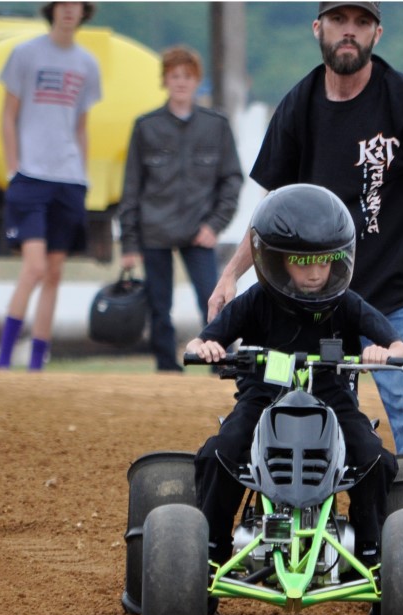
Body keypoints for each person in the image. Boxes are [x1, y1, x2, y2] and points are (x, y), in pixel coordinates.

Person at [205, 1, 403, 615]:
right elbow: (271, 215)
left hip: (401, 296)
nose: (348, 32)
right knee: (297, 413)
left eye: (360, 21)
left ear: (377, 33)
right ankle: (300, 540)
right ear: (319, 30)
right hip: (319, 301)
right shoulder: (299, 106)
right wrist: (229, 277)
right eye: (338, 20)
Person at [188, 184, 403, 609]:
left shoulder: (346, 303)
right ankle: (210, 552)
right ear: (275, 260)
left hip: (331, 398)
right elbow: (202, 342)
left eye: (323, 262)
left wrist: (384, 351)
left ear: (338, 259)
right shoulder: (255, 300)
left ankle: (374, 554)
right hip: (262, 399)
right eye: (302, 262)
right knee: (220, 451)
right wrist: (209, 348)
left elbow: (401, 347)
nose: (314, 273)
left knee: (373, 458)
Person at [118, 45, 243, 372]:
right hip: (154, 230)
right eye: (174, 76)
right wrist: (129, 244)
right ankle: (165, 369)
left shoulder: (216, 126)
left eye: (187, 76)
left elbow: (232, 179)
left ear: (197, 80)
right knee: (160, 306)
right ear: (165, 80)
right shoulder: (146, 127)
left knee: (213, 299)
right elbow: (131, 187)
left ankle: (222, 364)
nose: (181, 82)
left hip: (198, 230)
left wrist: (214, 225)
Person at [0, 1, 101, 371]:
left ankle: (37, 363)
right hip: (30, 176)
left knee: (55, 272)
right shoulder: (25, 54)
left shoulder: (88, 64)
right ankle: (4, 360)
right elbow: (8, 116)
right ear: (51, 9)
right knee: (34, 267)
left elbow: (81, 125)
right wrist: (13, 168)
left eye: (78, 5)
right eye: (63, 3)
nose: (70, 10)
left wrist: (82, 174)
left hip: (69, 179)